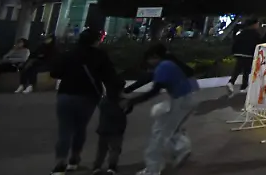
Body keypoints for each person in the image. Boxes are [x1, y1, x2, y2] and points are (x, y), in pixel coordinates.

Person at [50, 28, 119, 174]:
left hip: (65, 93)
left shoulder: (69, 54)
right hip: (88, 96)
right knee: (80, 128)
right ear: (95, 41)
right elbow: (109, 76)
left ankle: (59, 164)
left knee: (64, 130)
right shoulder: (100, 55)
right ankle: (74, 160)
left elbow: (55, 72)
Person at [126, 44, 199, 175]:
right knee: (170, 126)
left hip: (181, 100)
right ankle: (181, 148)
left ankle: (153, 169)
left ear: (154, 57)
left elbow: (154, 90)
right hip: (188, 98)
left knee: (159, 133)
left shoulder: (164, 66)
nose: (148, 63)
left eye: (148, 59)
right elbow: (149, 78)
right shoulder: (169, 64)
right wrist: (129, 91)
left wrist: (132, 101)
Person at [92, 78, 128, 175]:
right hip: (117, 130)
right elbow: (127, 110)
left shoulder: (103, 101)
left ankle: (97, 166)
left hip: (103, 128)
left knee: (101, 149)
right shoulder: (123, 102)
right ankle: (112, 167)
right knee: (115, 149)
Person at [227, 20, 262, 95]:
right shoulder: (255, 34)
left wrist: (234, 52)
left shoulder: (242, 32)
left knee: (238, 68)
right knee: (246, 71)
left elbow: (235, 42)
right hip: (248, 54)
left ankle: (231, 82)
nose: (258, 26)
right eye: (257, 24)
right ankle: (243, 87)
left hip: (239, 53)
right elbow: (259, 44)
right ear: (254, 25)